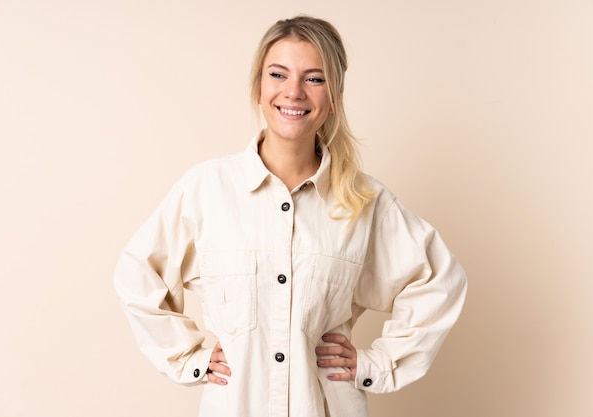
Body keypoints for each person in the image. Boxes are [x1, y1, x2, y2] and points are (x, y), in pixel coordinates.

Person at [114, 15, 467, 417]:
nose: (293, 92)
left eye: (314, 79)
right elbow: (137, 274)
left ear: (333, 96)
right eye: (278, 74)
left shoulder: (365, 201)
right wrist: (189, 356)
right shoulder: (205, 190)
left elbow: (440, 281)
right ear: (259, 89)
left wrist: (377, 364)